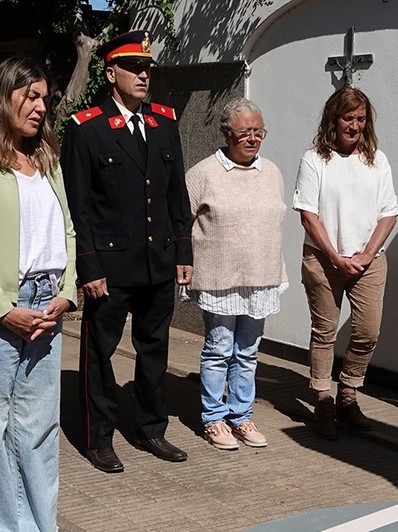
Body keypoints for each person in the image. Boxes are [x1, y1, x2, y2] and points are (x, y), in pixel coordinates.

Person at [61, 30, 193, 473]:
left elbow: (176, 195)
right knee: (99, 355)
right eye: (133, 67)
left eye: (147, 68)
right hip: (111, 267)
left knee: (154, 351)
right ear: (110, 73)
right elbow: (78, 207)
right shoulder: (87, 128)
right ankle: (98, 437)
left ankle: (151, 429)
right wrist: (88, 266)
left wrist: (183, 252)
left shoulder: (164, 122)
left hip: (158, 261)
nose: (143, 75)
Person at [0, 57, 77, 531]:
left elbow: (68, 229)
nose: (40, 107)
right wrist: (2, 310)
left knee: (39, 427)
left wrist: (67, 293)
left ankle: (40, 524)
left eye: (44, 98)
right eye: (30, 96)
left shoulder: (47, 160)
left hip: (48, 304)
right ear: (0, 97)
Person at [293, 87, 397, 439]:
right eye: (348, 118)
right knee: (325, 332)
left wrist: (366, 254)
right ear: (333, 120)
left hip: (369, 261)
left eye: (361, 119)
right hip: (323, 259)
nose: (354, 126)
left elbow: (389, 214)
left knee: (368, 331)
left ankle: (348, 394)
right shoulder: (314, 160)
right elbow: (308, 216)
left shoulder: (377, 160)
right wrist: (336, 258)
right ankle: (324, 400)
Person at [184, 98, 287, 450]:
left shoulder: (271, 172)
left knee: (248, 351)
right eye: (245, 132)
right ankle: (213, 419)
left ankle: (241, 416)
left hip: (261, 276)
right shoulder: (202, 173)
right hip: (220, 278)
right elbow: (181, 222)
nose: (253, 139)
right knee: (218, 348)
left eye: (259, 131)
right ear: (227, 133)